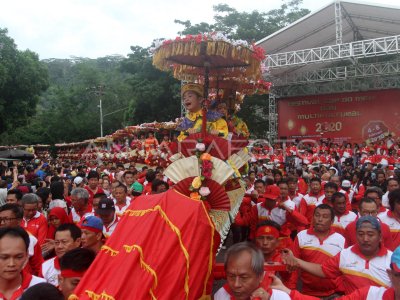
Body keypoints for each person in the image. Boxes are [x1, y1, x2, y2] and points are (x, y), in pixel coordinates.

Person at [283, 216, 392, 295]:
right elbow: (323, 270)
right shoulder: (346, 254)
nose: (365, 239)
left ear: (380, 236)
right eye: (361, 234)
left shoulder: (391, 260)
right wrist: (296, 260)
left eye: (370, 234)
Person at [292, 204, 345, 297]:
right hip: (306, 292)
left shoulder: (340, 239)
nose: (320, 219)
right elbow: (293, 264)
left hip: (333, 293)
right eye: (317, 215)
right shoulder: (301, 236)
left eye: (325, 217)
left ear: (332, 221)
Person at [213, 242, 290, 299]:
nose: (236, 284)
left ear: (260, 276)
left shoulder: (279, 297)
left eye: (244, 277)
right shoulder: (221, 295)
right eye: (231, 276)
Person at [0, 227, 45, 299]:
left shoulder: (41, 288)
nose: (11, 264)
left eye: (19, 257)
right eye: (4, 257)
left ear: (27, 255)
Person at [0, 204, 43, 276]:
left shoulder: (31, 240)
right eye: (0, 219)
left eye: (6, 219)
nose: (2, 223)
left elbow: (39, 268)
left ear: (19, 221)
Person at [254, 221, 297, 289]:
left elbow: (289, 283)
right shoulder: (249, 258)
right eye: (261, 238)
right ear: (255, 240)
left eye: (270, 238)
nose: (265, 242)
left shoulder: (284, 260)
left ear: (277, 242)